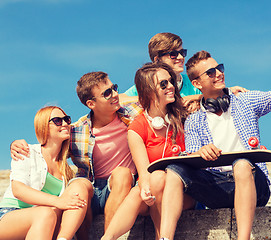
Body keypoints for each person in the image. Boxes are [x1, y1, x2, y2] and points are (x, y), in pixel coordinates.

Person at [159, 50, 271, 240]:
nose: (219, 74)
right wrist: (200, 152)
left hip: (254, 184)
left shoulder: (244, 101)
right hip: (217, 187)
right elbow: (191, 157)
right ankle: (165, 238)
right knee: (174, 169)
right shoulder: (194, 120)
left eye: (219, 68)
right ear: (197, 83)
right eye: (211, 72)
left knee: (241, 163)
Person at [10, 71, 143, 239]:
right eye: (107, 93)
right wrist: (15, 144)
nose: (115, 94)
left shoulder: (135, 113)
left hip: (120, 187)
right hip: (91, 192)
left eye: (114, 88)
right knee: (79, 184)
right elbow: (50, 146)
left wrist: (188, 100)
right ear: (91, 103)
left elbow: (166, 101)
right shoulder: (77, 130)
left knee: (123, 173)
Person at [101, 62, 195, 240]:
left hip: (184, 192)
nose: (171, 87)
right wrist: (144, 188)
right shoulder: (137, 127)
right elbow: (144, 172)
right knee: (148, 184)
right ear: (148, 91)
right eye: (163, 84)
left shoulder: (185, 118)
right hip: (151, 190)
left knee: (160, 178)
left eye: (171, 81)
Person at [0, 106, 92, 240]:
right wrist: (58, 201)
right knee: (45, 213)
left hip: (46, 220)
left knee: (73, 192)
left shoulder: (67, 171)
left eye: (66, 119)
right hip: (10, 215)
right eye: (57, 121)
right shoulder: (27, 152)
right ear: (43, 126)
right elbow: (18, 190)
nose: (65, 124)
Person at [122, 32, 248, 112]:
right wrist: (154, 97)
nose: (181, 57)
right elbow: (120, 100)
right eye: (173, 54)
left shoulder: (193, 82)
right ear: (157, 59)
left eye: (182, 53)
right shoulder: (147, 84)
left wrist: (196, 98)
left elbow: (215, 95)